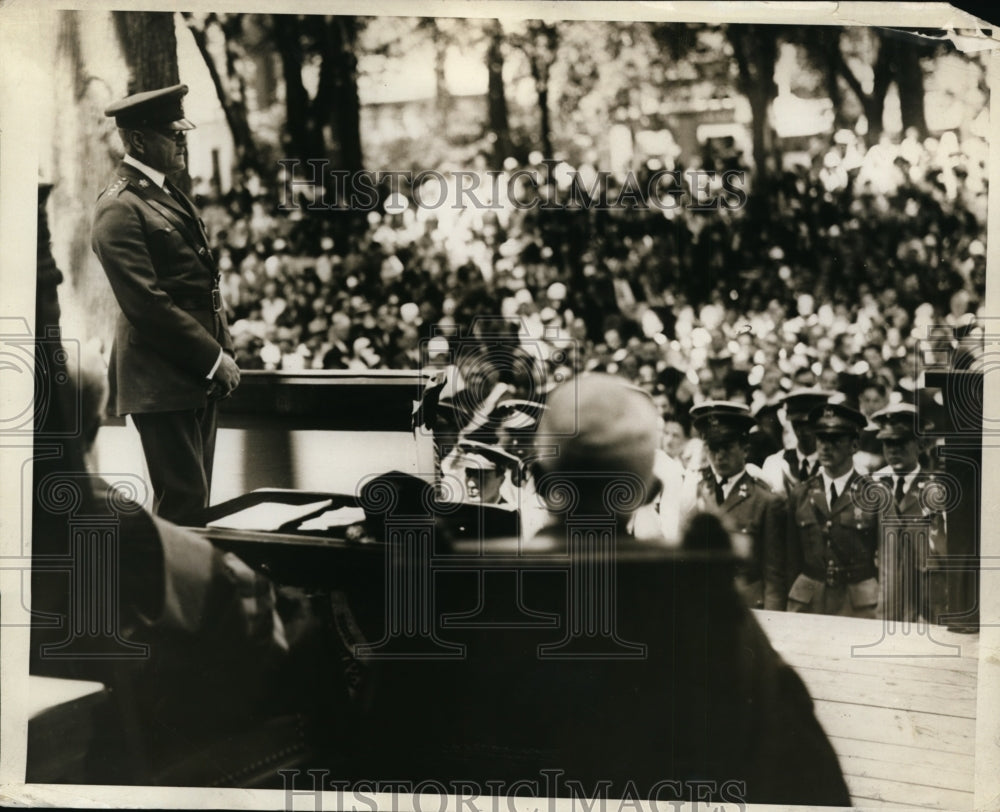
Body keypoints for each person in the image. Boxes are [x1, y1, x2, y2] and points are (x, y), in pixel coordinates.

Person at [92, 83, 240, 524]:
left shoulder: (165, 193)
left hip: (190, 370)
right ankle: (173, 592)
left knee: (195, 501)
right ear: (138, 140)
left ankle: (187, 589)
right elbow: (147, 304)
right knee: (183, 502)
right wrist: (213, 358)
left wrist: (222, 350)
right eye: (169, 133)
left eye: (182, 131)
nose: (182, 139)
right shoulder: (120, 206)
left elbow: (205, 284)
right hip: (160, 375)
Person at [679, 401, 787, 609]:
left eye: (727, 447)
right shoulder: (697, 492)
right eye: (713, 448)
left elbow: (774, 575)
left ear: (744, 449)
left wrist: (775, 619)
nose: (719, 457)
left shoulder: (765, 501)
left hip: (747, 607)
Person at [785, 400, 881, 618]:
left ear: (854, 446)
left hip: (858, 606)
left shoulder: (873, 495)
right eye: (821, 439)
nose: (826, 447)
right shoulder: (800, 494)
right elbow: (790, 561)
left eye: (835, 440)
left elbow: (887, 564)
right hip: (808, 603)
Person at [870, 404, 948, 623]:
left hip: (925, 603)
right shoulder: (875, 487)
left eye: (901, 442)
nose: (894, 450)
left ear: (919, 444)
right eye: (888, 443)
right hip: (885, 602)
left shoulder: (936, 490)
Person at [760, 388, 830, 497]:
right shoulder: (775, 464)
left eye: (810, 425)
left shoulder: (837, 463)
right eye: (797, 425)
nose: (803, 431)